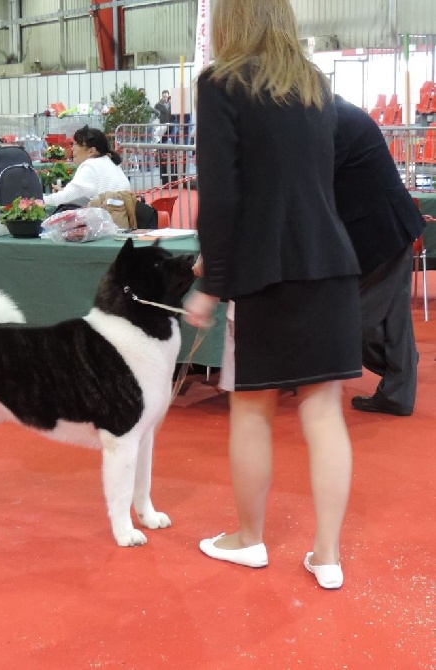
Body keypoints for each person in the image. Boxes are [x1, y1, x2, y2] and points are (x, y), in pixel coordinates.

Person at [184, 0, 362, 589]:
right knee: (323, 409)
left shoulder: (221, 83)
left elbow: (223, 192)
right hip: (330, 262)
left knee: (252, 408)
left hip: (266, 270)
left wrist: (211, 285)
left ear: (231, 20)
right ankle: (328, 555)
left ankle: (248, 538)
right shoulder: (312, 82)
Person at [333, 95, 426, 416]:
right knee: (393, 317)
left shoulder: (332, 120)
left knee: (349, 323)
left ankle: (398, 372)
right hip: (388, 227)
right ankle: (398, 387)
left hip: (380, 232)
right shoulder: (339, 113)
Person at [43, 126, 131, 207]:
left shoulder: (91, 166)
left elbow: (64, 199)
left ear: (91, 151)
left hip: (104, 221)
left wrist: (39, 201)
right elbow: (79, 194)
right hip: (119, 219)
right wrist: (65, 192)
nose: (72, 148)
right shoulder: (110, 162)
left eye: (76, 144)